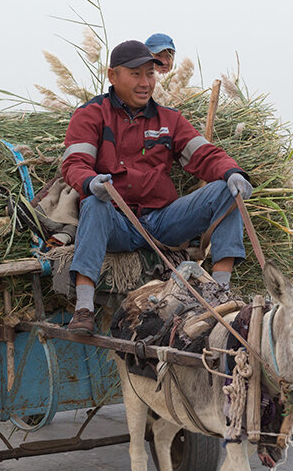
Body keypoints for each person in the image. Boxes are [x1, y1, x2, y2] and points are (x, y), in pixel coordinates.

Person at [60, 39, 253, 335]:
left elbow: (204, 155)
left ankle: (220, 294)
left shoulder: (169, 120)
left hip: (163, 221)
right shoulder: (92, 114)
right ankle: (83, 308)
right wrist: (90, 181)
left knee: (227, 190)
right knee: (93, 203)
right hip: (118, 221)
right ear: (113, 76)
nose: (145, 82)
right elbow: (75, 163)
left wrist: (232, 173)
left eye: (150, 74)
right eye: (135, 74)